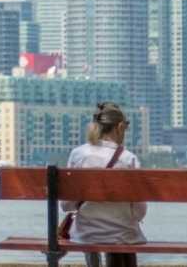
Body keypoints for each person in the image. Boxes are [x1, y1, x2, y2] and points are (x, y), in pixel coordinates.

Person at [60, 101, 145, 267]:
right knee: (125, 234)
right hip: (122, 235)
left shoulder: (78, 154)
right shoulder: (129, 159)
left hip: (86, 234)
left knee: (98, 235)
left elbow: (67, 205)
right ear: (120, 127)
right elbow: (139, 212)